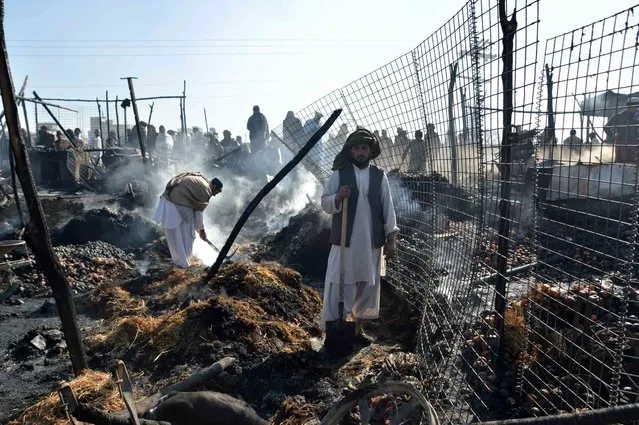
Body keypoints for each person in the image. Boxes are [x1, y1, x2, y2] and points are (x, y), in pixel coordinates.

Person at [320, 128, 399, 344]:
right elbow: (325, 203)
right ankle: (333, 333)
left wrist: (391, 238)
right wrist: (338, 196)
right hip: (345, 241)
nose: (360, 152)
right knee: (339, 282)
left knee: (366, 284)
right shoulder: (339, 173)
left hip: (371, 242)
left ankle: (356, 329)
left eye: (364, 148)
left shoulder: (379, 176)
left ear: (371, 150)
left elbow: (387, 208)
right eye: (356, 148)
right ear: (350, 151)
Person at [152, 172, 223, 268]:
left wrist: (199, 229)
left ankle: (178, 261)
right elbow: (198, 213)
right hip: (178, 203)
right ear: (213, 186)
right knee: (188, 235)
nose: (215, 195)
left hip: (167, 201)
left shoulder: (201, 179)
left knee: (174, 234)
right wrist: (202, 231)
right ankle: (184, 264)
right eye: (217, 191)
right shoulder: (206, 190)